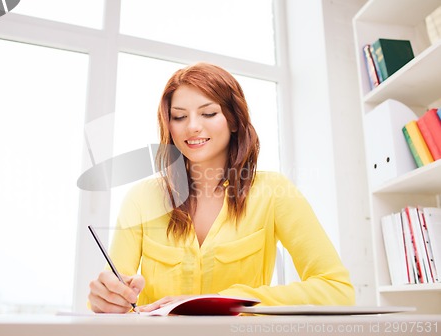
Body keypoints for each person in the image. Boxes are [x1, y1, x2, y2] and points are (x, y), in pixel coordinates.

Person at [88, 62, 355, 313]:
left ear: (234, 120)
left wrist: (224, 301)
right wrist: (106, 299)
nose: (192, 127)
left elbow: (338, 290)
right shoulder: (142, 198)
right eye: (179, 117)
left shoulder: (273, 192)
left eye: (208, 113)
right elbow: (115, 293)